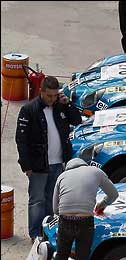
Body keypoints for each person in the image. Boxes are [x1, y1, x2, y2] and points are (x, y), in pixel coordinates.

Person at [15, 75, 82, 241]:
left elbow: (77, 120)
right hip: (38, 164)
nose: (52, 99)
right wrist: (26, 165)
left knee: (53, 201)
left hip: (59, 162)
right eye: (49, 96)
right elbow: (21, 140)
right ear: (41, 92)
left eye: (55, 95)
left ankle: (49, 233)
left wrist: (68, 104)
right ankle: (35, 234)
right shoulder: (29, 110)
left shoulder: (61, 106)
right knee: (37, 200)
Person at [52, 158, 118, 260]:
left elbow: (55, 209)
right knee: (82, 257)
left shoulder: (62, 176)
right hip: (85, 221)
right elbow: (113, 194)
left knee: (61, 255)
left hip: (65, 220)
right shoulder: (96, 172)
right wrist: (102, 204)